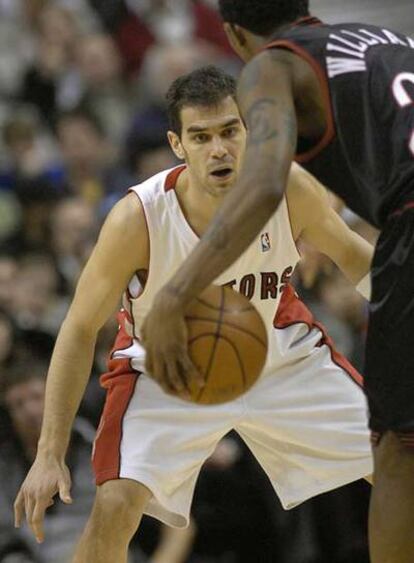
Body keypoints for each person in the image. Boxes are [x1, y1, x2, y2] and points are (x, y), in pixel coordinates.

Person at [14, 66, 373, 563]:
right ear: (177, 144)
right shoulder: (136, 218)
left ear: (250, 129)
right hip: (165, 370)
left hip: (278, 354)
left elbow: (359, 261)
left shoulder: (287, 187)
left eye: (229, 130)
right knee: (115, 504)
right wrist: (49, 453)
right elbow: (78, 329)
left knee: (398, 459)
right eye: (201, 137)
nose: (218, 148)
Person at [141, 5, 414, 562]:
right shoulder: (380, 37)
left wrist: (176, 293)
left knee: (397, 451)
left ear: (236, 35)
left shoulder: (269, 66)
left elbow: (263, 182)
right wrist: (331, 203)